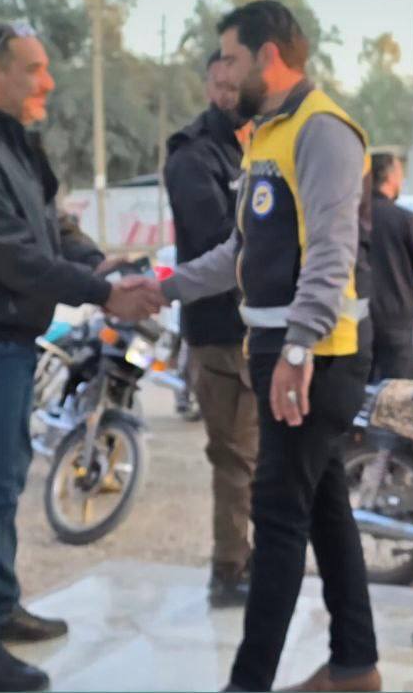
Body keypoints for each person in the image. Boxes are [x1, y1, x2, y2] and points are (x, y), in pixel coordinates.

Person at [0, 22, 162, 692]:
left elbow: (54, 227)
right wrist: (105, 294)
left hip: (3, 342)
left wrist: (101, 264)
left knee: (3, 480)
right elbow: (15, 257)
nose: (48, 82)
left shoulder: (13, 141)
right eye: (34, 68)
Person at [154, 0, 381, 692]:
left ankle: (247, 682)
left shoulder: (322, 131)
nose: (221, 72)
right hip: (280, 349)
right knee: (325, 511)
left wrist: (298, 349)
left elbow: (332, 252)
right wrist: (161, 287)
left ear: (269, 56)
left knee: (277, 516)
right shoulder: (268, 135)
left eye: (229, 57)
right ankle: (355, 666)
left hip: (317, 357)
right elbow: (240, 252)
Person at [164, 50, 257, 608]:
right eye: (219, 85)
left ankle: (255, 559)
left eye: (235, 84)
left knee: (262, 458)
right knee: (235, 457)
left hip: (264, 328)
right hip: (221, 331)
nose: (228, 95)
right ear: (207, 87)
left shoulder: (262, 142)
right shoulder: (193, 155)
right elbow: (217, 244)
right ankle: (230, 569)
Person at [367, 152, 413, 382]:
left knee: (361, 395)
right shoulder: (406, 220)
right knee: (399, 393)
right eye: (400, 174)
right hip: (396, 325)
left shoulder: (349, 219)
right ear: (390, 177)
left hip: (358, 322)